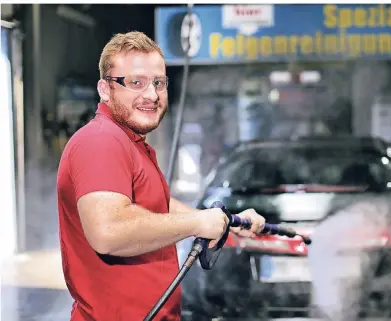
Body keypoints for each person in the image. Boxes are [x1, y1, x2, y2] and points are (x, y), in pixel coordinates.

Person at [56, 31, 266, 321]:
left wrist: (225, 222)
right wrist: (197, 222)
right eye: (136, 83)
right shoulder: (101, 141)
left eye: (158, 82)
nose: (152, 95)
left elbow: (155, 206)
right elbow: (108, 233)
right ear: (105, 89)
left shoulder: (129, 142)